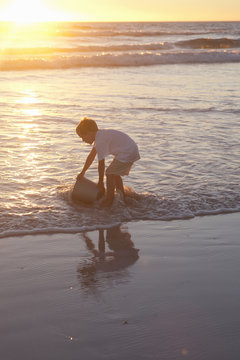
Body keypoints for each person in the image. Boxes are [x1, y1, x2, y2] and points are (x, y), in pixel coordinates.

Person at [76, 117, 140, 206]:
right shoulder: (100, 136)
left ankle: (109, 200)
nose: (83, 140)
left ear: (90, 132)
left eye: (83, 137)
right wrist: (82, 172)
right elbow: (91, 157)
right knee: (115, 174)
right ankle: (121, 196)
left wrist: (101, 183)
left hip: (127, 152)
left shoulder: (100, 141)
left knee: (109, 173)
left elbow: (101, 164)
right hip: (130, 150)